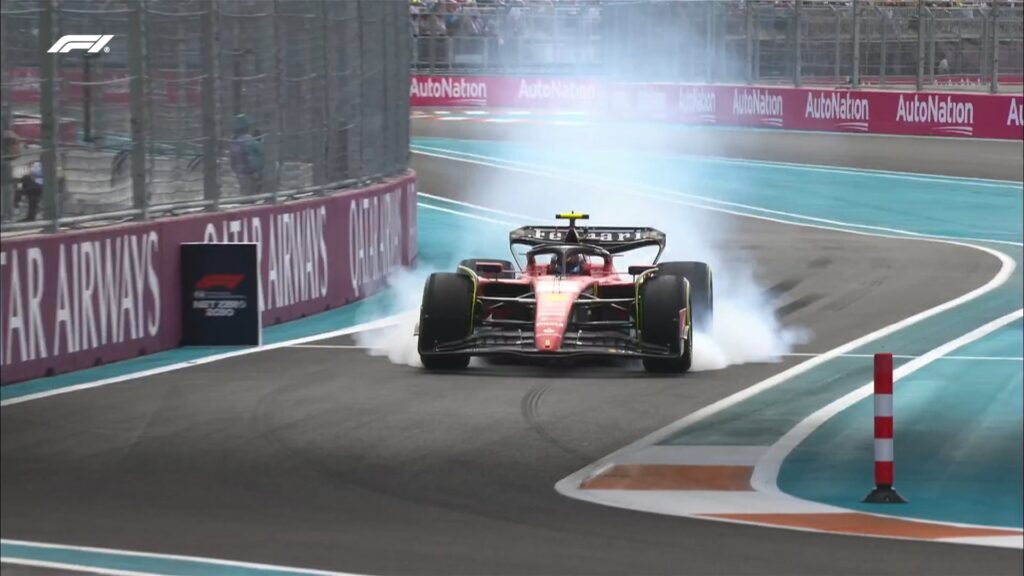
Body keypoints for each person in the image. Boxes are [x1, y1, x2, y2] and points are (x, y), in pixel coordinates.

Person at [229, 114, 264, 196]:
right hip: (250, 172)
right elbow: (259, 152)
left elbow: (232, 159)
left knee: (244, 191)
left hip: (240, 171)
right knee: (251, 194)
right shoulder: (248, 140)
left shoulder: (234, 141)